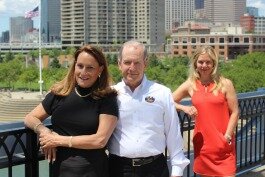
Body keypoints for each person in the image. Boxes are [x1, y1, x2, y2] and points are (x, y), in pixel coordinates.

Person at [24, 45, 119, 177]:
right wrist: (44, 131)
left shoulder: (107, 98)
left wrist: (57, 140)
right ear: (74, 66)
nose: (83, 72)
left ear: (100, 69)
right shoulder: (60, 93)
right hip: (58, 169)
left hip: (92, 171)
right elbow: (30, 117)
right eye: (80, 66)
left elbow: (100, 140)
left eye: (90, 68)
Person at [108, 40, 190, 177]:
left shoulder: (162, 93)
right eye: (127, 62)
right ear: (119, 64)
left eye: (137, 62)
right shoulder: (110, 94)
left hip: (155, 169)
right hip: (118, 169)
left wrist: (177, 170)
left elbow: (173, 133)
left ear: (145, 63)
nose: (132, 68)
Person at [172, 46, 239, 177]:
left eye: (208, 62)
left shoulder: (225, 84)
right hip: (203, 146)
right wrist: (184, 108)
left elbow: (235, 112)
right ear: (195, 64)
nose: (204, 65)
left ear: (214, 64)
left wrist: (227, 137)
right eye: (201, 62)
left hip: (223, 146)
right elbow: (167, 101)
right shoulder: (190, 84)